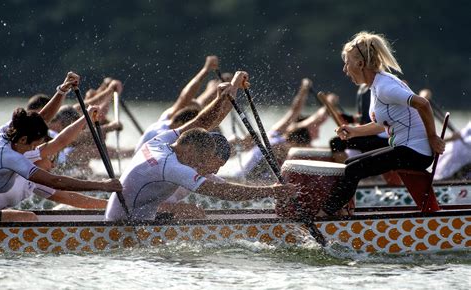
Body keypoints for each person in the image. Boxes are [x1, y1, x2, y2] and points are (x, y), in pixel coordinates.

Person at [105, 71, 296, 222]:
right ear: (189, 150)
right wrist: (273, 190)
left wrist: (225, 96)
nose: (200, 165)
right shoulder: (171, 167)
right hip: (124, 225)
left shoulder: (160, 142)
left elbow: (202, 121)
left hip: (138, 220)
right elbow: (223, 192)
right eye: (200, 160)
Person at [319, 31, 445, 216]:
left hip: (415, 152)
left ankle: (325, 214)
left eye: (347, 63)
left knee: (354, 169)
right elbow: (383, 123)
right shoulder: (377, 85)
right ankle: (344, 211)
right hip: (406, 149)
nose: (345, 69)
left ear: (361, 64)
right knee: (349, 163)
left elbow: (423, 104)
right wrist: (354, 131)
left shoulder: (386, 87)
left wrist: (433, 137)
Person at [0, 89, 122, 222]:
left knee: (22, 216)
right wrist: (102, 185)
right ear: (23, 140)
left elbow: (70, 198)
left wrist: (113, 206)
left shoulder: (14, 134)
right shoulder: (14, 156)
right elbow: (55, 180)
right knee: (28, 218)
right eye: (51, 158)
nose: (54, 165)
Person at [230, 78, 328, 183]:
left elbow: (294, 112)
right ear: (295, 142)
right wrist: (327, 107)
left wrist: (304, 90)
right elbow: (299, 115)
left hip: (239, 176)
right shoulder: (282, 147)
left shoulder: (273, 134)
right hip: (248, 181)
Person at [135, 55, 220, 151]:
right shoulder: (163, 135)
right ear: (179, 123)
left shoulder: (166, 120)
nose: (188, 133)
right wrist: (205, 70)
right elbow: (185, 98)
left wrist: (216, 91)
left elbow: (195, 103)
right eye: (188, 128)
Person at [157, 132, 231, 219]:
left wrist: (250, 191)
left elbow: (227, 188)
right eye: (217, 164)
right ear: (207, 155)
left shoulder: (202, 171)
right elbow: (149, 205)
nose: (216, 171)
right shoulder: (175, 168)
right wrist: (177, 208)